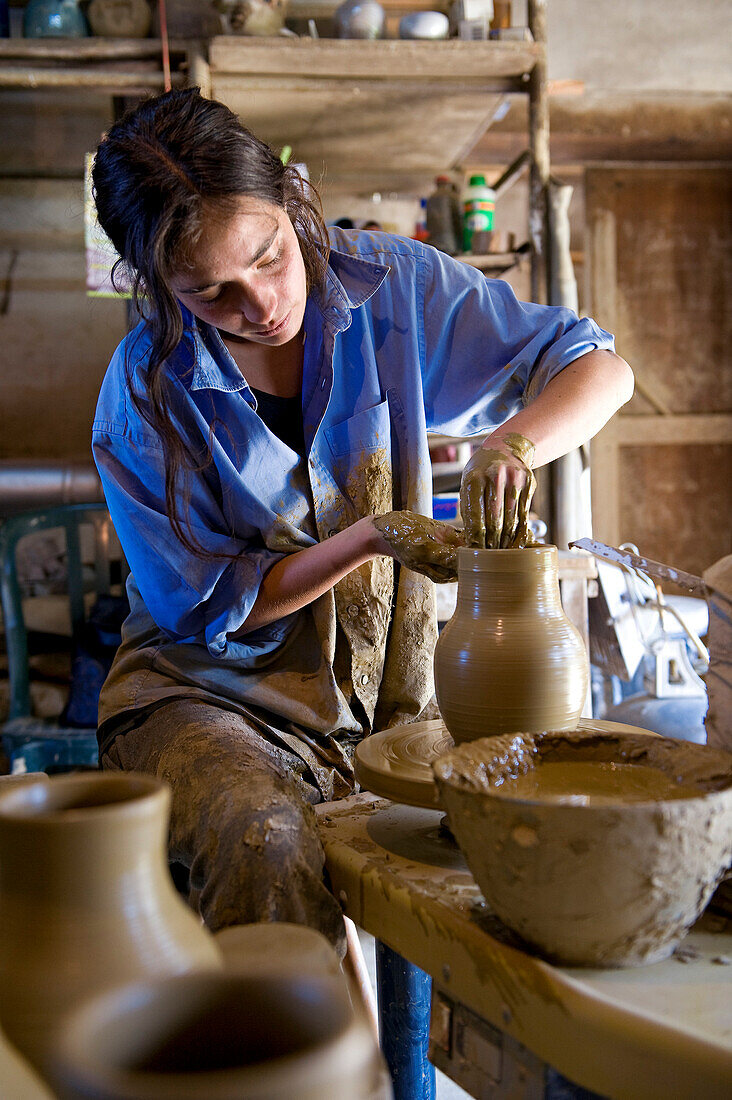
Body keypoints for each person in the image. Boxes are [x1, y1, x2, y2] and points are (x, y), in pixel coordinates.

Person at [90, 88, 634, 954]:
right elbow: (204, 611)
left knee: (555, 812)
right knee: (264, 841)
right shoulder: (145, 393)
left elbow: (597, 367)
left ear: (289, 200)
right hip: (211, 697)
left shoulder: (392, 285)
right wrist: (371, 537)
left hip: (389, 703)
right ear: (158, 286)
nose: (262, 304)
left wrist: (513, 447)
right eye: (211, 292)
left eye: (270, 256)